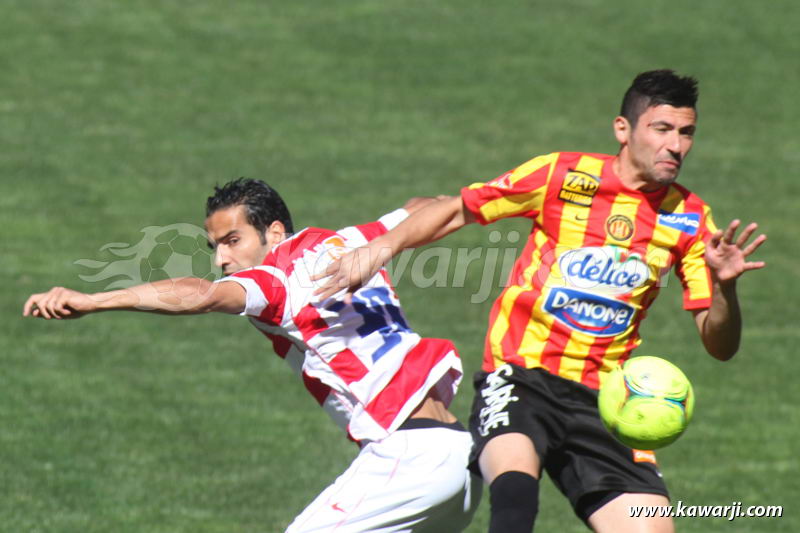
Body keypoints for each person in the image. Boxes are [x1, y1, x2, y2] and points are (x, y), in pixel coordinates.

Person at [312, 70, 767, 533]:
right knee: (514, 500)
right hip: (520, 378)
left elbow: (720, 345)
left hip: (609, 400)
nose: (677, 146)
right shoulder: (561, 174)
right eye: (662, 129)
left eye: (687, 133)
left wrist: (725, 286)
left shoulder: (691, 219)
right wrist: (380, 248)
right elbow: (457, 208)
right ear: (623, 130)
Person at [23, 178, 480, 532]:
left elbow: (199, 294)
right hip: (461, 461)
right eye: (215, 246)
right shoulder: (352, 240)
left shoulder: (274, 281)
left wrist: (95, 300)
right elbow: (429, 207)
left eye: (233, 240)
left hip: (409, 457)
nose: (222, 259)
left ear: (274, 231)